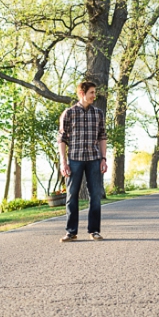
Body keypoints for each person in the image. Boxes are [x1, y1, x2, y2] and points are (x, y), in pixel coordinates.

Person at [57, 81, 108, 242]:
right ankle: (71, 232)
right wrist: (63, 162)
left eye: (95, 92)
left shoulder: (98, 113)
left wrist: (103, 158)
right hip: (74, 160)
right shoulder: (69, 113)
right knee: (71, 196)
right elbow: (62, 139)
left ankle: (94, 231)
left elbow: (102, 137)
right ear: (82, 93)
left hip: (94, 159)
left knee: (96, 196)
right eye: (91, 92)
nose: (94, 95)